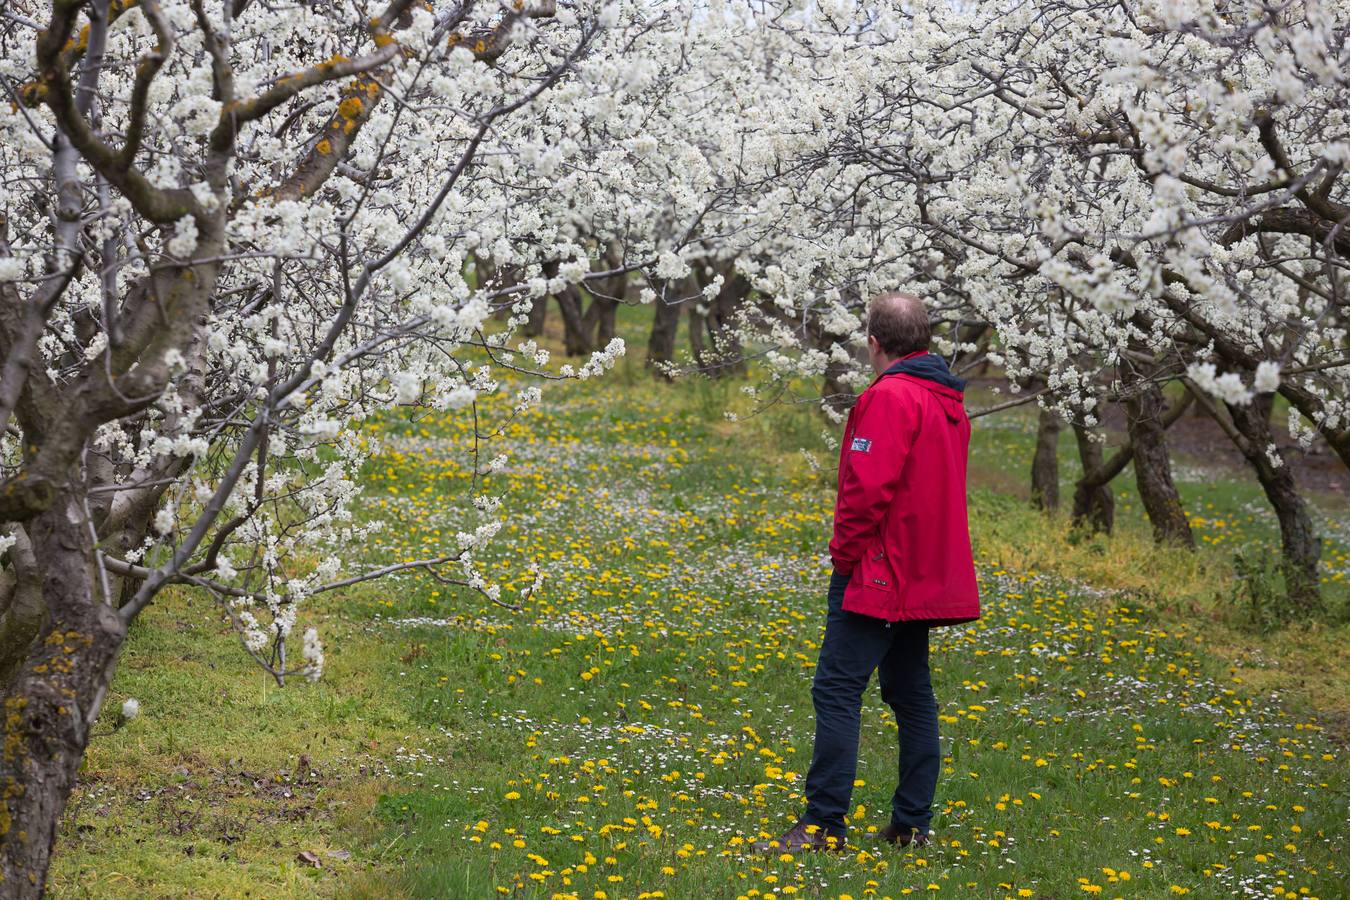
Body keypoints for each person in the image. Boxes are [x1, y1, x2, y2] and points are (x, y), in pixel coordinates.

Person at [753, 292, 981, 854]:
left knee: (836, 690)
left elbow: (865, 491)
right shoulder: (948, 400)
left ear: (873, 343)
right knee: (911, 693)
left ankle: (823, 823)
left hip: (880, 574)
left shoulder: (890, 397)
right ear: (925, 341)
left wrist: (844, 556)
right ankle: (912, 824)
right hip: (923, 572)